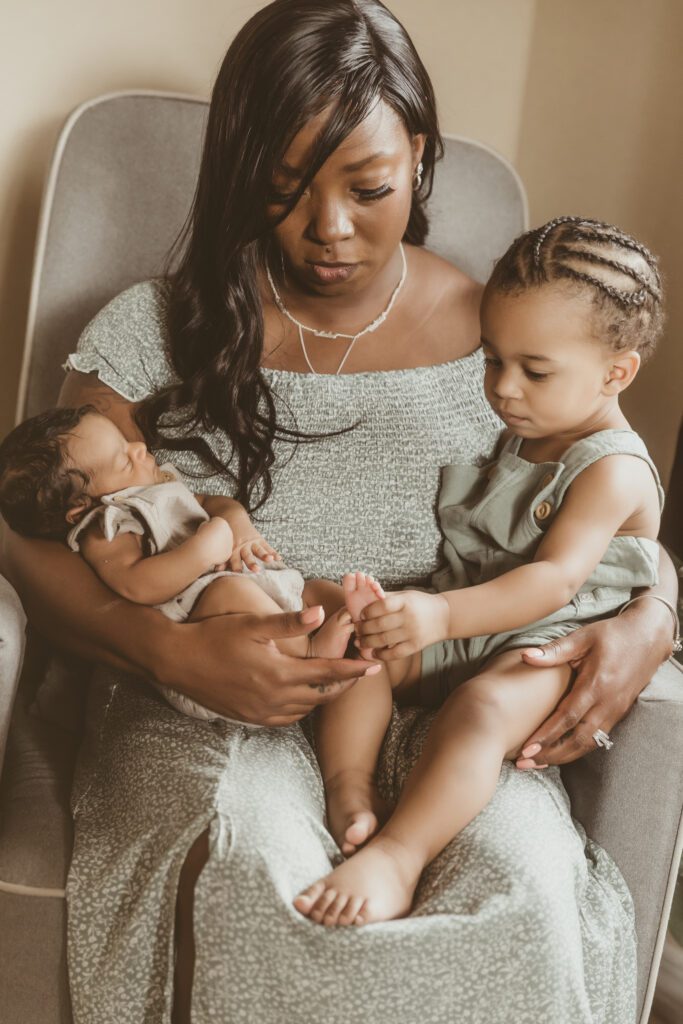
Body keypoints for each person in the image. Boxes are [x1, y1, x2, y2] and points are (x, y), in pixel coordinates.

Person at [0, 2, 677, 1022]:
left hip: (439, 696)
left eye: (367, 187)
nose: (328, 228)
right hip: (214, 704)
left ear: (416, 153)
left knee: (519, 885)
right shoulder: (157, 326)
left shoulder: (500, 337)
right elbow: (23, 529)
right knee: (255, 876)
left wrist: (651, 611)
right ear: (241, 175)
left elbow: (602, 495)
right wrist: (164, 652)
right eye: (284, 187)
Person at [295, 217, 665, 927]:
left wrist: (436, 616)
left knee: (480, 712)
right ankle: (348, 790)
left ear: (616, 372)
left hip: (547, 646)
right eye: (492, 359)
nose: (502, 387)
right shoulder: (527, 430)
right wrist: (403, 615)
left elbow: (553, 582)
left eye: (534, 369)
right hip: (470, 618)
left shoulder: (613, 468)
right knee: (360, 652)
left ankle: (399, 855)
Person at [0, 405, 367, 721]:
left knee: (320, 591)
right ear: (79, 508)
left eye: (129, 443)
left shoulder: (154, 487)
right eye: (124, 459)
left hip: (248, 588)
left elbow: (217, 505)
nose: (141, 448)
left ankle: (354, 635)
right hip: (212, 637)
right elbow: (138, 586)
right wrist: (203, 551)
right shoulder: (105, 526)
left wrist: (238, 528)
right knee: (230, 591)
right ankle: (311, 657)